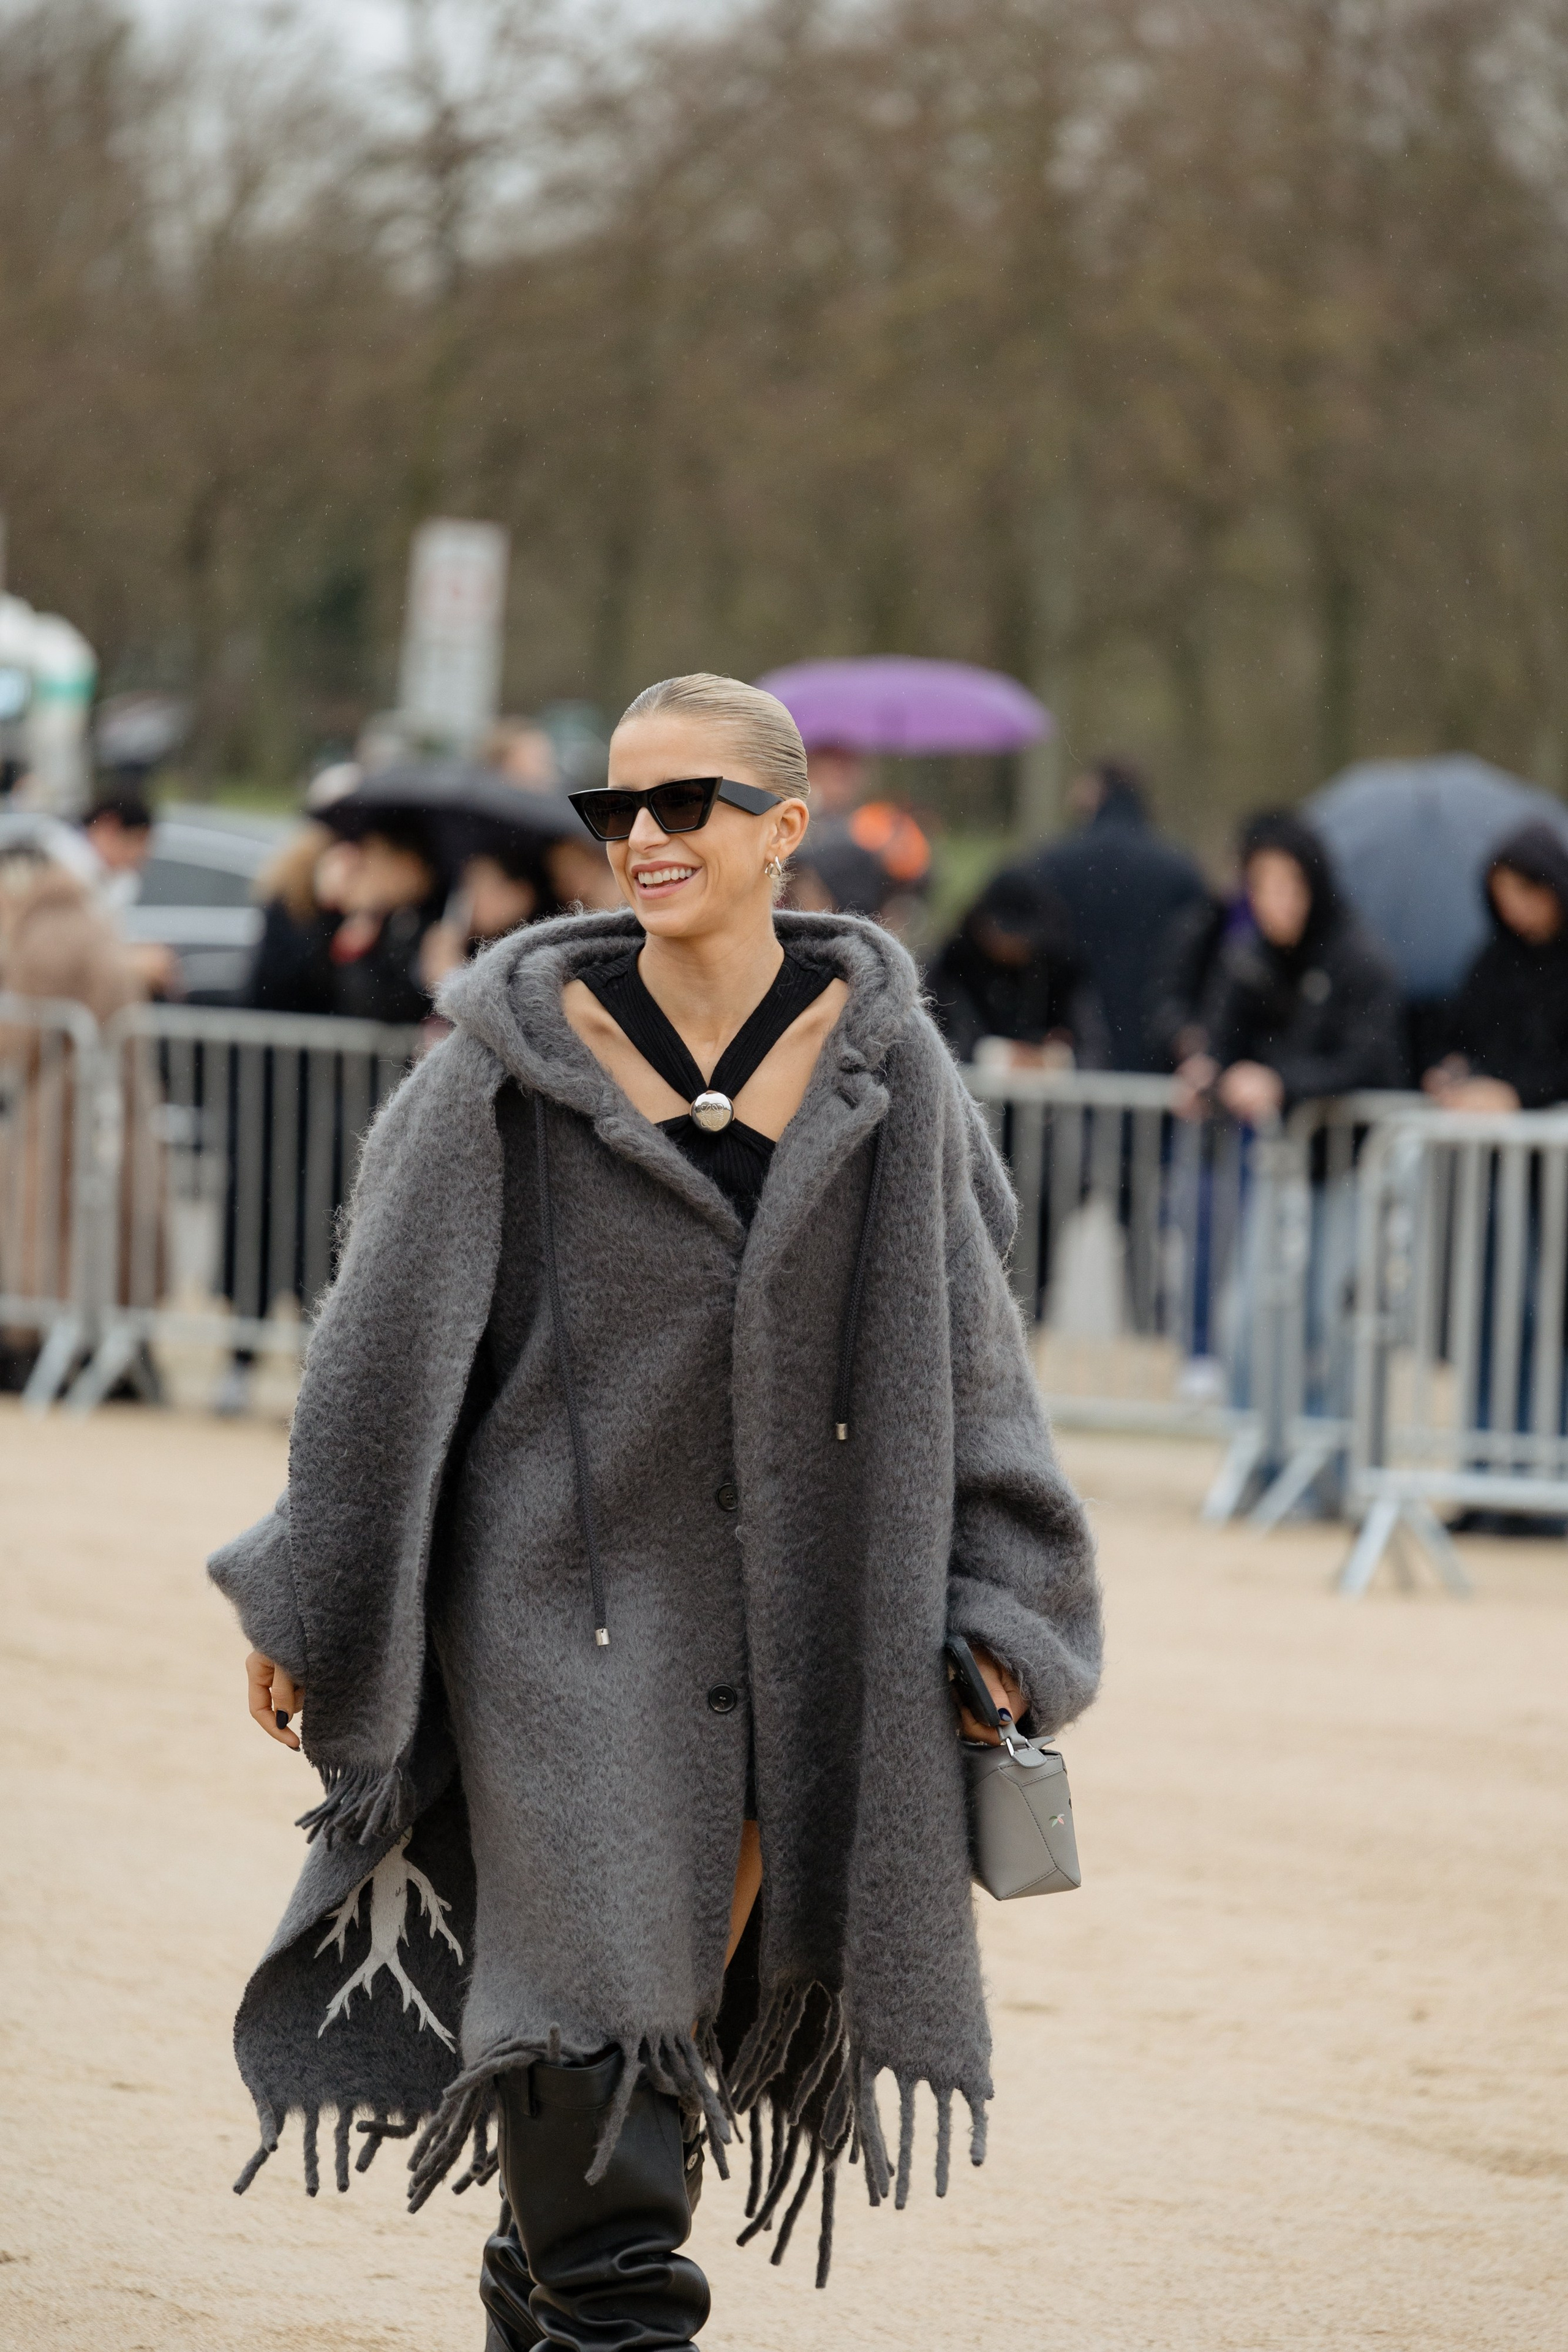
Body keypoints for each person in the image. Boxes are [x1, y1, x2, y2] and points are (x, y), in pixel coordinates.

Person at [209, 670, 1101, 2351]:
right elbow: (381, 1354)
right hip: (557, 1621)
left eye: (680, 804)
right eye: (611, 808)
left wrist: (1008, 1614)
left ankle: (543, 2291)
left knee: (658, 2041)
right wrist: (314, 1596)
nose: (640, 838)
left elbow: (982, 1366)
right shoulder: (499, 1067)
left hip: (811, 1639)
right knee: (606, 2047)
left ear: (783, 829)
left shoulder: (899, 1081)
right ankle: (606, 2300)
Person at [1178, 810, 1405, 1123]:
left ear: (1313, 884)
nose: (1276, 901)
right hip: (1273, 1152)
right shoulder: (1247, 957)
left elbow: (1367, 1063)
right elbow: (1224, 1035)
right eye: (1262, 885)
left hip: (1351, 1153)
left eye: (1288, 883)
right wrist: (1207, 1070)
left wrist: (1282, 1083)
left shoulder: (1359, 959)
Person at [1018, 759, 1209, 1073]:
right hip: (1158, 1059)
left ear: (1095, 793)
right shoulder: (1181, 871)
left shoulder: (1052, 864)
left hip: (1075, 1057)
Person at [1423, 822, 1568, 1112]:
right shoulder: (1493, 961)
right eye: (1503, 895)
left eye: (1524, 890)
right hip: (1490, 1139)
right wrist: (1451, 1068)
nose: (1515, 907)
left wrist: (1520, 1095)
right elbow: (1459, 1034)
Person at [927, 867, 1108, 1068]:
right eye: (1003, 931)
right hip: (970, 1092)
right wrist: (993, 1056)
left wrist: (1058, 1058)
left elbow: (1092, 1046)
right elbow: (938, 1043)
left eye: (1021, 935)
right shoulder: (953, 966)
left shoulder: (1060, 968)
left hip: (1049, 1096)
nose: (1012, 944)